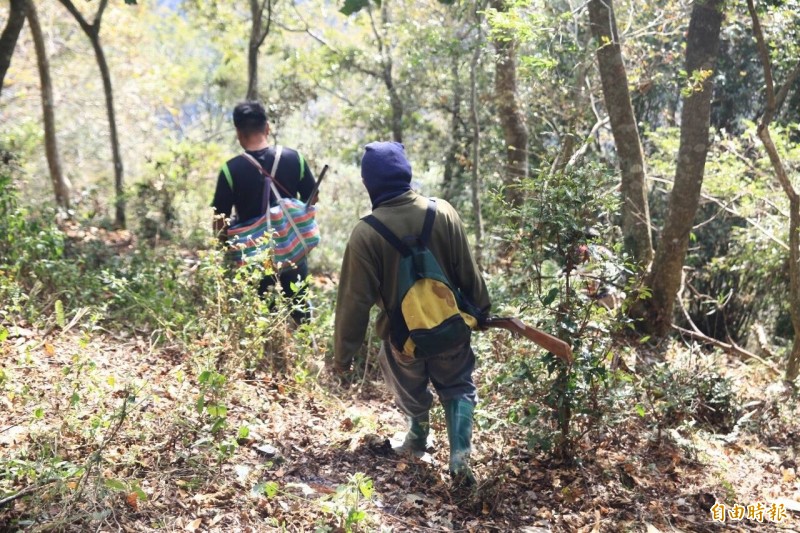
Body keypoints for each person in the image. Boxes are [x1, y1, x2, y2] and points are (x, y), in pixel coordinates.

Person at [332, 141, 491, 486]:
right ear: (407, 174)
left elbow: (353, 302)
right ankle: (459, 458)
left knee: (406, 381)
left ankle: (418, 435)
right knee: (459, 386)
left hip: (404, 340)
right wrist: (482, 312)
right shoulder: (442, 212)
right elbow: (468, 271)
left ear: (369, 184)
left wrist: (343, 356)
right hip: (452, 328)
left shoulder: (365, 234)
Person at [211, 101, 316, 324]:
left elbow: (220, 219)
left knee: (262, 311)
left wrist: (224, 249)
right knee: (299, 305)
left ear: (238, 133)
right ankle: (305, 346)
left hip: (257, 254)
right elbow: (312, 198)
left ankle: (268, 352)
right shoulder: (294, 158)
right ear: (267, 127)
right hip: (290, 248)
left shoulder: (231, 170)